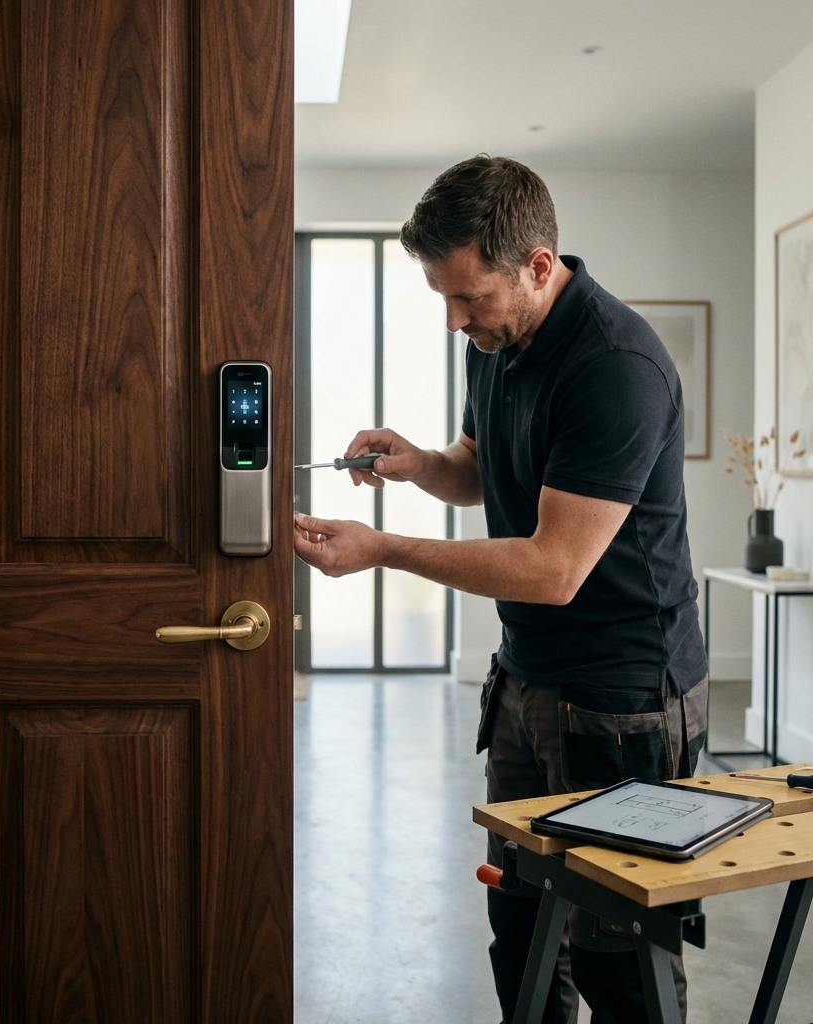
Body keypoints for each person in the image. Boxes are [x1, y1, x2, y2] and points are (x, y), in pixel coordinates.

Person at [293, 155, 708, 1024]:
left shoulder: (615, 364)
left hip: (623, 698)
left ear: (538, 265)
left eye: (468, 297)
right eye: (443, 297)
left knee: (618, 958)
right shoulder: (498, 342)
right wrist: (418, 464)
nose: (454, 320)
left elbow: (555, 569)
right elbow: (478, 469)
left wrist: (382, 550)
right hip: (526, 679)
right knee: (521, 935)